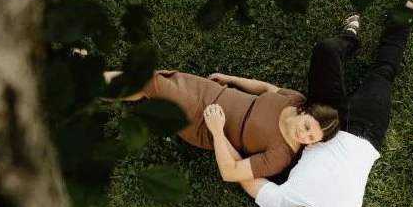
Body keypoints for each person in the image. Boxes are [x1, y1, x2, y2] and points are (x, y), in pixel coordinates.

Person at [202, 0, 413, 207]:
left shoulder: (280, 206)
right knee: (382, 72)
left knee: (324, 52)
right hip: (366, 131)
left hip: (322, 124)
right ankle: (403, 15)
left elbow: (242, 175)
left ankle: (349, 38)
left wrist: (218, 132)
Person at [107, 68, 339, 181]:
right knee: (155, 83)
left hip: (202, 122)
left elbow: (231, 172)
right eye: (308, 127)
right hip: (213, 92)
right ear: (305, 111)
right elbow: (267, 89)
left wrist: (217, 130)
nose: (303, 135)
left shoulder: (280, 156)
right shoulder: (294, 99)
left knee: (150, 81)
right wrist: (232, 80)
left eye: (311, 139)